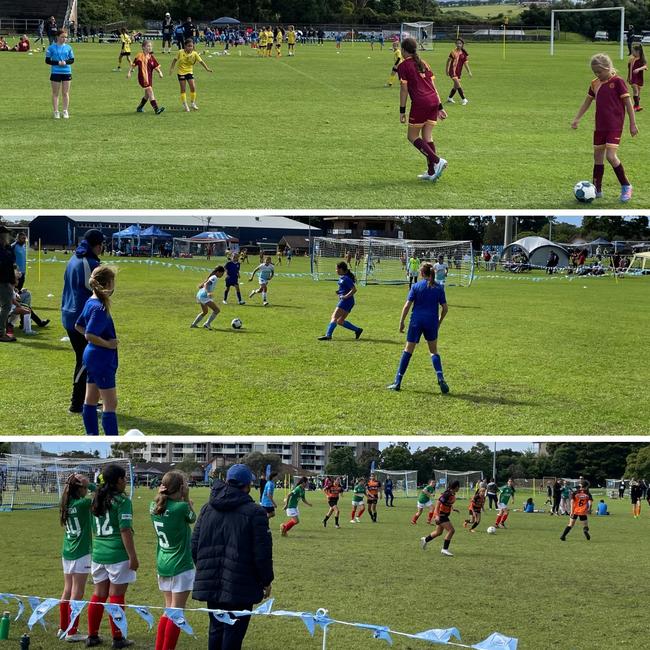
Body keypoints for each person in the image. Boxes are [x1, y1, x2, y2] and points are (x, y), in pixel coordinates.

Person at [191, 464, 273, 650]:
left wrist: (206, 569)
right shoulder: (256, 512)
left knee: (217, 629)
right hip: (241, 583)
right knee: (232, 633)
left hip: (215, 581)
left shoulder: (207, 509)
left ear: (227, 481)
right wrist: (266, 580)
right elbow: (262, 553)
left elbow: (194, 546)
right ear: (248, 486)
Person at [571, 53, 638, 203]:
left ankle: (626, 186)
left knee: (610, 156)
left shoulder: (618, 82)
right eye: (595, 72)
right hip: (600, 126)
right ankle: (597, 189)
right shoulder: (595, 83)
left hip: (614, 125)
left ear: (608, 68)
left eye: (600, 72)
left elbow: (628, 104)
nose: (597, 75)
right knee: (598, 157)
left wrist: (632, 124)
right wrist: (577, 118)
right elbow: (587, 102)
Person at [86, 464, 138, 648]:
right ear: (117, 481)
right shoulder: (123, 501)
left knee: (98, 595)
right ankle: (118, 638)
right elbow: (125, 530)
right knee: (116, 596)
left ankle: (92, 636)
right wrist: (133, 556)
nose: (126, 482)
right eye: (124, 478)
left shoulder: (96, 499)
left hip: (99, 554)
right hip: (117, 554)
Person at [150, 471, 197, 650]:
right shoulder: (181, 508)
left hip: (163, 562)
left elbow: (162, 505)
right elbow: (193, 519)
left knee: (168, 609)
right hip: (180, 564)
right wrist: (186, 499)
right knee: (177, 612)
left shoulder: (152, 506)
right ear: (181, 488)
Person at [388, 262, 449, 393]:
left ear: (421, 273)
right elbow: (445, 308)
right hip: (431, 321)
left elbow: (407, 306)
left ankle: (397, 382)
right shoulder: (438, 288)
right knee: (433, 351)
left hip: (416, 321)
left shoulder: (416, 286)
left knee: (408, 351)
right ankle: (440, 377)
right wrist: (439, 321)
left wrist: (401, 321)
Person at [61, 229, 104, 412]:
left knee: (88, 359)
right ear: (98, 245)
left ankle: (88, 400)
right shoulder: (89, 262)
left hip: (70, 314)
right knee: (85, 360)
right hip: (79, 318)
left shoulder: (74, 258)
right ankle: (76, 403)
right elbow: (98, 290)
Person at [75, 266, 120, 436]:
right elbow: (89, 334)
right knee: (110, 403)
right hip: (101, 358)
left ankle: (91, 435)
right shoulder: (100, 307)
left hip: (92, 356)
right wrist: (107, 344)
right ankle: (111, 439)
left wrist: (96, 341)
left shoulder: (90, 301)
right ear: (108, 284)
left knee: (91, 399)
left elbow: (78, 325)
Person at [397, 37, 448, 182]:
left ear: (404, 50)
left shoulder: (403, 66)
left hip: (420, 103)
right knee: (427, 137)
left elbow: (404, 90)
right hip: (433, 101)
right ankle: (432, 172)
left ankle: (438, 161)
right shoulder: (424, 62)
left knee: (412, 136)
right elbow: (433, 86)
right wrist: (440, 106)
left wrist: (402, 111)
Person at [59, 473, 95, 643]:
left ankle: (63, 626)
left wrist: (83, 484)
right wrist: (92, 485)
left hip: (67, 551)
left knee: (67, 590)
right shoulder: (83, 503)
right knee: (77, 592)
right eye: (84, 488)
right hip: (81, 552)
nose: (86, 490)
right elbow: (100, 494)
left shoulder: (66, 503)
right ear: (79, 488)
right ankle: (71, 631)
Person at [317, 261, 363, 341]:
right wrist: (339, 292)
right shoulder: (343, 277)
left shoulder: (346, 278)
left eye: (337, 269)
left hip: (346, 301)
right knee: (340, 321)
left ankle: (328, 336)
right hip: (349, 301)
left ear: (341, 269)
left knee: (334, 317)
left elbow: (354, 289)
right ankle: (358, 330)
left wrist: (345, 296)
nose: (336, 270)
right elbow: (346, 288)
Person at [169, 39, 213, 112]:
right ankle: (185, 104)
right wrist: (172, 69)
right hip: (181, 72)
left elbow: (201, 62)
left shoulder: (195, 54)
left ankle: (192, 103)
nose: (190, 48)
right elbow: (174, 60)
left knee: (193, 87)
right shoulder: (180, 52)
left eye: (191, 46)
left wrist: (207, 69)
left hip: (189, 72)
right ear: (185, 46)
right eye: (189, 46)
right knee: (183, 89)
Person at [419, 480, 460, 556]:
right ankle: (444, 549)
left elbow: (448, 502)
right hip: (441, 515)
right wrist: (437, 515)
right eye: (459, 486)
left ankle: (425, 540)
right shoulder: (447, 494)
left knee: (438, 532)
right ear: (456, 487)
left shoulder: (452, 493)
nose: (459, 488)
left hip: (443, 515)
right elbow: (438, 503)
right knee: (451, 530)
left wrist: (453, 509)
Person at [128, 40, 165, 114]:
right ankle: (156, 109)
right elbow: (133, 65)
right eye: (148, 46)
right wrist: (129, 72)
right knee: (150, 92)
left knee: (147, 95)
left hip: (149, 79)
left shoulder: (151, 57)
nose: (150, 48)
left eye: (150, 46)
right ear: (143, 47)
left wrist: (160, 72)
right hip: (143, 78)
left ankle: (139, 107)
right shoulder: (139, 56)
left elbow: (156, 67)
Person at [45, 29, 74, 119]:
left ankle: (65, 111)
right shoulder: (51, 48)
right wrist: (57, 63)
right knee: (55, 93)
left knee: (65, 93)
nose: (64, 39)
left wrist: (65, 62)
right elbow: (47, 60)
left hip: (66, 72)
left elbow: (72, 60)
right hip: (55, 72)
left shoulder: (69, 48)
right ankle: (56, 111)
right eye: (62, 37)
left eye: (65, 37)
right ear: (57, 37)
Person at [0, 226, 16, 343]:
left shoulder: (6, 248)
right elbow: (7, 264)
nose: (9, 237)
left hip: (6, 281)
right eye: (7, 235)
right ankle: (1, 333)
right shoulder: (3, 250)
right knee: (6, 307)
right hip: (3, 282)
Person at [446, 39, 472, 105]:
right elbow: (448, 61)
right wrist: (447, 70)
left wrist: (469, 72)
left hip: (459, 72)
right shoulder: (453, 52)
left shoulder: (464, 53)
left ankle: (450, 98)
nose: (458, 45)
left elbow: (465, 63)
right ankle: (464, 99)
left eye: (460, 43)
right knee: (458, 84)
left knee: (455, 86)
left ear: (462, 44)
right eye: (457, 43)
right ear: (455, 44)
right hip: (452, 71)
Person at [628, 43, 647, 112]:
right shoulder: (632, 59)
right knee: (635, 91)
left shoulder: (642, 59)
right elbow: (630, 69)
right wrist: (630, 77)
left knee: (638, 92)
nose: (632, 53)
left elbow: (645, 66)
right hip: (633, 78)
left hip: (639, 78)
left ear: (638, 52)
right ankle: (637, 106)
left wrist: (638, 69)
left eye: (633, 51)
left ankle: (635, 106)